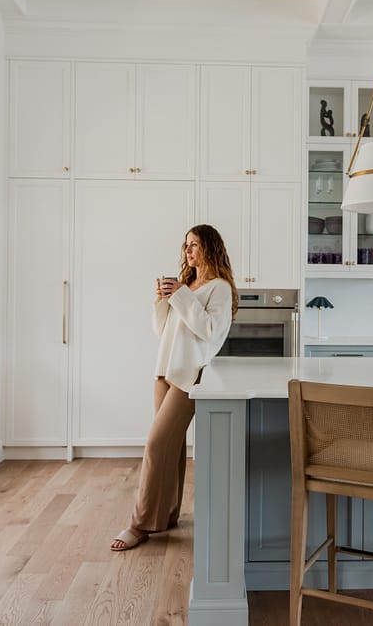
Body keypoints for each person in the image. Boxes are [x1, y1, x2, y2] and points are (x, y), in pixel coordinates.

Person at [110, 224, 238, 551]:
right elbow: (162, 330)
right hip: (164, 371)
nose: (188, 251)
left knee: (155, 445)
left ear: (210, 248)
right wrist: (162, 301)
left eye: (194, 245)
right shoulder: (189, 285)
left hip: (189, 376)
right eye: (186, 246)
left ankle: (139, 524)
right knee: (172, 447)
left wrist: (180, 295)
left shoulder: (219, 288)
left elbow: (208, 331)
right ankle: (166, 514)